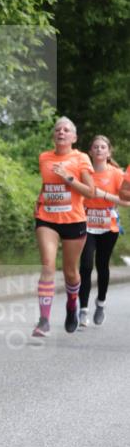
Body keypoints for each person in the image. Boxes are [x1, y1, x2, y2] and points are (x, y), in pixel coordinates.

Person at [32, 117, 94, 338]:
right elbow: (47, 185)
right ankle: (44, 321)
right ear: (53, 135)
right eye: (58, 129)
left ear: (74, 137)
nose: (61, 132)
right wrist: (40, 199)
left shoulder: (81, 158)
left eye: (66, 130)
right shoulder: (44, 158)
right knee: (48, 265)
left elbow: (90, 191)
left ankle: (71, 304)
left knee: (71, 273)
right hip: (46, 218)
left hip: (73, 220)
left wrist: (68, 178)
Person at [79, 136, 126, 327]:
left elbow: (127, 201)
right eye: (95, 147)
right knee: (86, 265)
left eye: (103, 147)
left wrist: (104, 195)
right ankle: (83, 310)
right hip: (87, 223)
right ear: (90, 152)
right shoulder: (84, 173)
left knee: (102, 265)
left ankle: (101, 303)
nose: (99, 150)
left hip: (108, 226)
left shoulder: (116, 174)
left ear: (109, 152)